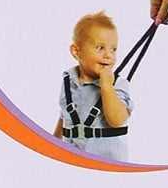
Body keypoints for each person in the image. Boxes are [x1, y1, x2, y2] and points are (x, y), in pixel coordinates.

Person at [53, 12, 132, 162]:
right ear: (77, 52)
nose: (108, 55)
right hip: (73, 160)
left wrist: (106, 86)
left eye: (113, 49)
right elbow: (64, 116)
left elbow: (117, 120)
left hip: (108, 163)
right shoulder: (68, 81)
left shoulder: (117, 84)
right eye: (100, 48)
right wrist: (54, 143)